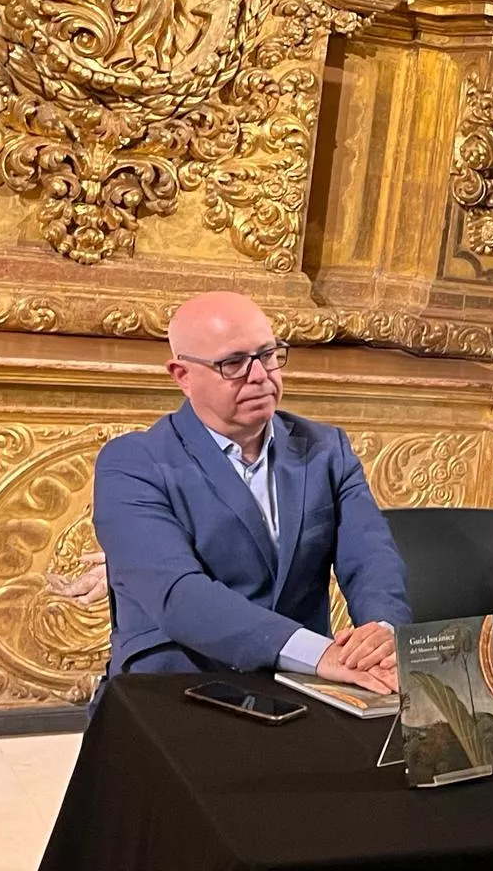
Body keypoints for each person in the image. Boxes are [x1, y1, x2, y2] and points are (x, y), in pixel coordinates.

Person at [92, 292, 409, 698]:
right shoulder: (133, 462)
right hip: (180, 682)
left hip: (304, 685)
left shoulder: (327, 448)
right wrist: (320, 654)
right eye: (234, 363)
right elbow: (179, 595)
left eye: (269, 354)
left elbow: (371, 556)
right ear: (183, 375)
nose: (260, 375)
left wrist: (381, 635)